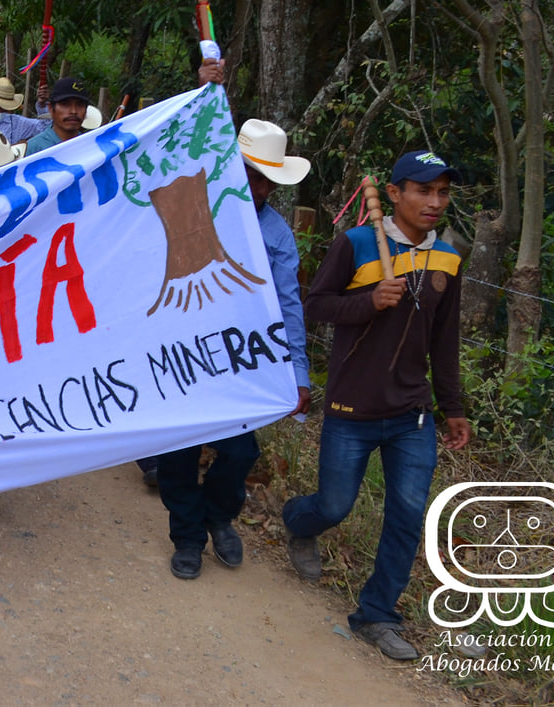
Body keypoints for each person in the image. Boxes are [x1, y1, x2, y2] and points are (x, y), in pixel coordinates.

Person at [281, 151, 470, 661]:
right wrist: (368, 302)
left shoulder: (447, 257)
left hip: (412, 413)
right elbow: (316, 304)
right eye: (423, 190)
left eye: (443, 193)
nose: (434, 202)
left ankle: (376, 615)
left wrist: (452, 405)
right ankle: (297, 523)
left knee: (408, 516)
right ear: (394, 193)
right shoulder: (359, 244)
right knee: (334, 505)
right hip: (352, 406)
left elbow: (444, 338)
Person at [147, 61, 313, 565]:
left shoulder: (278, 235)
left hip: (238, 357)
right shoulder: (194, 200)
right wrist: (202, 91)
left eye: (269, 181)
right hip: (179, 344)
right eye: (252, 176)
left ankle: (220, 513)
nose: (260, 188)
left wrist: (297, 372)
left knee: (240, 452)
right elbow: (169, 150)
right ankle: (189, 540)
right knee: (176, 452)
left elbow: (288, 302)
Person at [24, 76, 97, 153]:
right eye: (65, 104)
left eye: (80, 105)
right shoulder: (34, 149)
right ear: (51, 108)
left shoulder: (92, 148)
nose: (74, 111)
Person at [0, 76, 49, 145]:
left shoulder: (17, 123)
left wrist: (42, 105)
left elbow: (45, 128)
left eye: (5, 108)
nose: (0, 111)